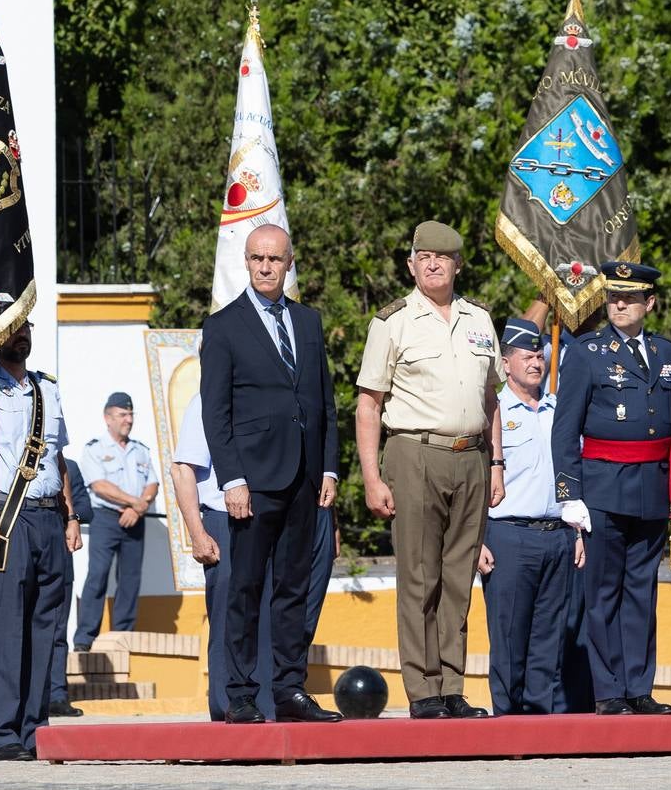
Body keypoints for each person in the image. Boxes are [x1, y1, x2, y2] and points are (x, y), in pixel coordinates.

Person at [356, 220, 505, 720]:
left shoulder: (479, 320)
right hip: (414, 452)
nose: (433, 264)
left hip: (472, 455)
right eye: (424, 257)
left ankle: (452, 685)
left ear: (458, 265)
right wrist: (373, 478)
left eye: (442, 257)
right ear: (411, 264)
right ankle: (423, 691)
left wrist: (498, 463)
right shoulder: (393, 321)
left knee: (459, 577)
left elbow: (492, 398)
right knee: (420, 577)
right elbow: (369, 404)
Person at [200, 224, 342, 724]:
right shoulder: (223, 326)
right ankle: (240, 691)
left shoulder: (308, 321)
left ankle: (288, 688)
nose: (265, 267)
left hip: (304, 477)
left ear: (288, 263)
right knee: (246, 587)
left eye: (274, 259)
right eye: (257, 258)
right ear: (246, 261)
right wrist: (231, 479)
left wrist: (328, 466)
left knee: (293, 588)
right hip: (254, 483)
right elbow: (215, 414)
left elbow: (323, 401)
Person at [552, 261, 671, 716]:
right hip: (603, 486)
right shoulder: (586, 351)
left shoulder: (667, 353)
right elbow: (564, 428)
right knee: (604, 593)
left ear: (649, 303)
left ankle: (639, 687)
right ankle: (609, 691)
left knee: (641, 593)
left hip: (651, 488)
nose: (619, 304)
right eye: (614, 296)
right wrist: (568, 493)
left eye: (630, 297)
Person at [0, 320, 82, 762]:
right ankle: (4, 732)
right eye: (12, 328)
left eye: (24, 325)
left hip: (50, 517)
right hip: (10, 517)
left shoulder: (47, 388)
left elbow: (57, 457)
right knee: (8, 628)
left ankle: (35, 728)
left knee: (44, 630)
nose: (20, 334)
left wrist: (71, 514)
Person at [478, 317, 583, 715]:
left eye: (540, 355)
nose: (536, 363)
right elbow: (477, 479)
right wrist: (478, 539)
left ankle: (540, 720)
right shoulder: (493, 411)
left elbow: (573, 475)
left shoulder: (560, 410)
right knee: (509, 634)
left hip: (556, 533)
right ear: (506, 363)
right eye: (526, 356)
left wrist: (575, 532)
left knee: (548, 635)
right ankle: (507, 718)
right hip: (509, 534)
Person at [171, 391, 273, 721]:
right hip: (222, 520)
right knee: (229, 617)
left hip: (263, 519)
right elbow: (183, 469)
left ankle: (265, 705)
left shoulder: (259, 394)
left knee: (267, 615)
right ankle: (226, 706)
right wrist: (197, 533)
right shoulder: (206, 400)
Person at [72, 392, 157, 652]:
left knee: (130, 579)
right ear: (107, 418)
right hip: (106, 519)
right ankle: (85, 638)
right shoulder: (95, 448)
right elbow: (99, 486)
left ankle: (123, 636)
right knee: (97, 576)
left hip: (135, 519)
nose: (128, 420)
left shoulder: (140, 449)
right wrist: (136, 502)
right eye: (123, 415)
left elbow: (152, 483)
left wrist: (138, 508)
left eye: (130, 414)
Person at [49, 458, 92, 718]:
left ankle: (57, 695)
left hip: (61, 553)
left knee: (58, 631)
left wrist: (68, 514)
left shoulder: (70, 467)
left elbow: (87, 509)